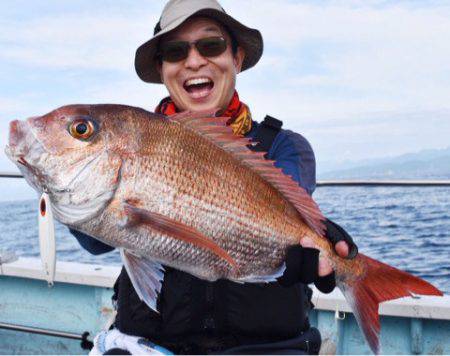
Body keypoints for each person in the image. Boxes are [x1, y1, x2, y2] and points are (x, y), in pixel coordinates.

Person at [74, 0, 358, 354]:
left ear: (237, 58)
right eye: (176, 51)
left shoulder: (286, 147)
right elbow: (94, 243)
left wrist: (319, 241)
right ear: (162, 69)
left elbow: (286, 214)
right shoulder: (132, 146)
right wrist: (72, 187)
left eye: (211, 45)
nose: (194, 61)